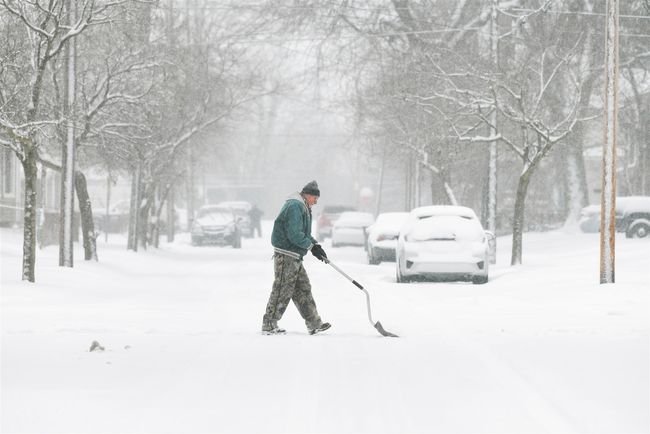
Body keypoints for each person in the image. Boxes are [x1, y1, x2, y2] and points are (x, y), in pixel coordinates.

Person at [261, 180, 331, 335]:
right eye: (315, 198)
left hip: (295, 255)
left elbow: (304, 234)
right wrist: (311, 247)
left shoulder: (303, 206)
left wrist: (316, 247)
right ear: (307, 195)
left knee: (303, 289)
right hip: (286, 254)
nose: (316, 202)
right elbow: (294, 234)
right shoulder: (295, 206)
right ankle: (269, 324)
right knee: (282, 289)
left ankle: (314, 323)